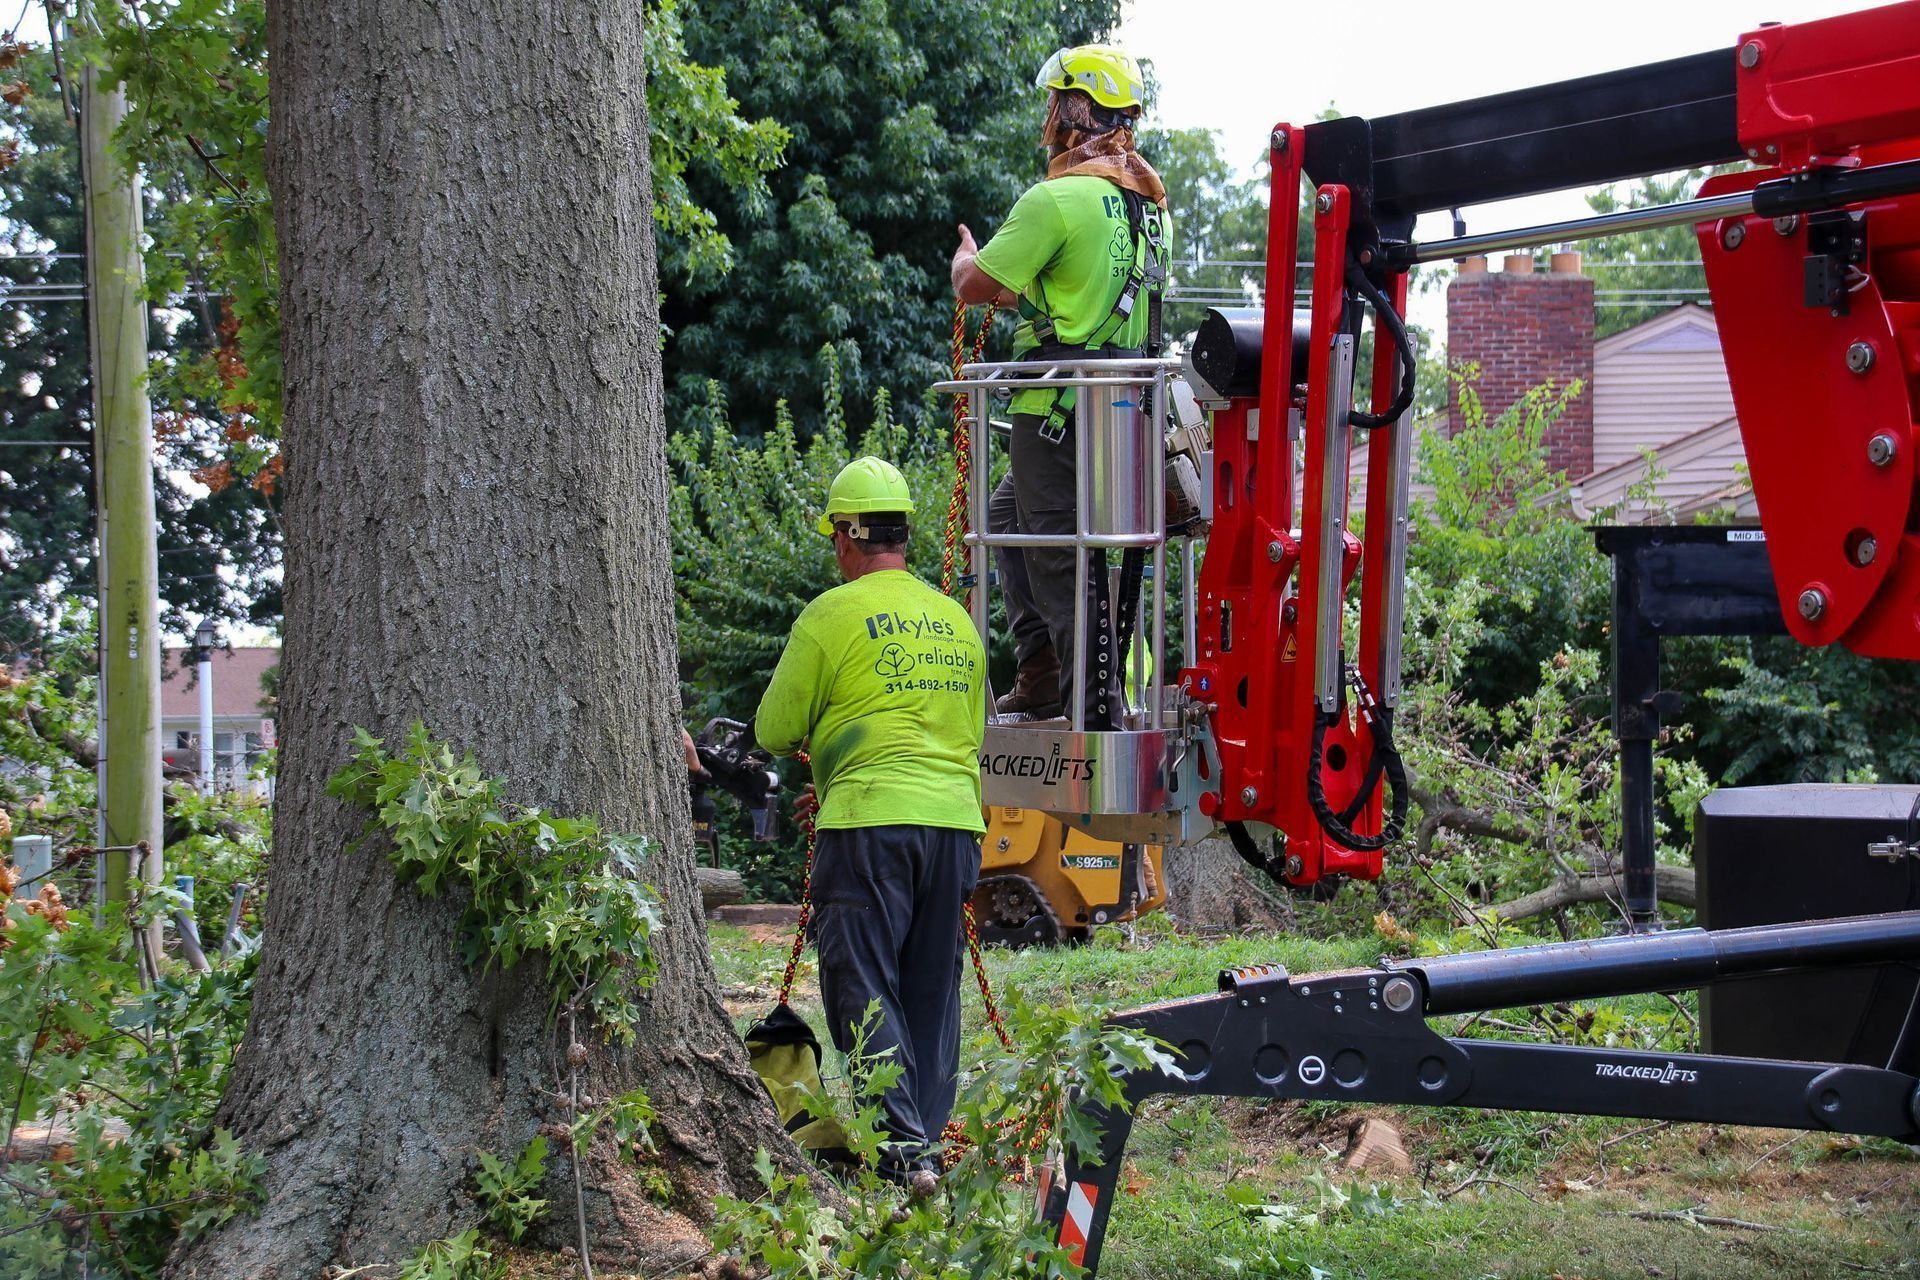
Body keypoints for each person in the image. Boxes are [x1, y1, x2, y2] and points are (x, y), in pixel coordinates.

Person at [754, 456, 987, 1194]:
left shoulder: (831, 614)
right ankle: (924, 1143)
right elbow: (966, 737)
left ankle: (901, 1150)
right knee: (930, 987)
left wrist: (837, 770)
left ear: (847, 537)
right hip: (952, 827)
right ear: (905, 535)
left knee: (861, 983)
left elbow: (773, 727)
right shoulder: (956, 621)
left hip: (867, 827)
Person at [950, 44, 1171, 729]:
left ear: (1080, 110)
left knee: (1055, 557)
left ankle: (1090, 709)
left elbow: (976, 287)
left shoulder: (1055, 199)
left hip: (1052, 411)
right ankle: (1042, 671)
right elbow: (1087, 303)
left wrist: (966, 256)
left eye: (1057, 102)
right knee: (1003, 519)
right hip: (1120, 411)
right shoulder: (1150, 209)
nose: (1049, 117)